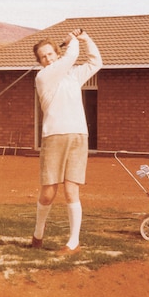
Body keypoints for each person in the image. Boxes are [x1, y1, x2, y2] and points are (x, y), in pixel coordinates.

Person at [30, 28, 103, 255]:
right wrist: (72, 40)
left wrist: (85, 38)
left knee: (72, 190)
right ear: (40, 62)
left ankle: (73, 242)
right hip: (54, 137)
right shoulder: (43, 77)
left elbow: (96, 62)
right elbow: (71, 56)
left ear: (56, 53)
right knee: (48, 192)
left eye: (50, 54)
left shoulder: (72, 74)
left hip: (78, 136)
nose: (48, 59)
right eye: (43, 57)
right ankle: (38, 232)